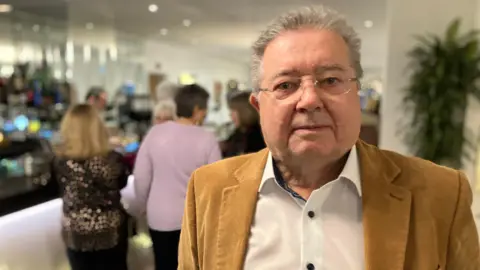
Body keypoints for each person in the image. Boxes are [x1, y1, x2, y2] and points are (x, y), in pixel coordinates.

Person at [178, 6, 480, 270]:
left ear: (356, 94)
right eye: (286, 85)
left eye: (331, 80)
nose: (309, 100)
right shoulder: (208, 190)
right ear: (259, 107)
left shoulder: (441, 194)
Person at [134, 84, 221, 270]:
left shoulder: (155, 133)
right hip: (194, 220)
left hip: (160, 217)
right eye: (204, 109)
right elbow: (216, 184)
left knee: (163, 263)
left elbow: (141, 177)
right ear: (197, 110)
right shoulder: (207, 139)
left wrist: (142, 205)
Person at [51, 104, 130, 270]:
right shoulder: (112, 161)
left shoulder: (60, 163)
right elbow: (122, 183)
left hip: (76, 234)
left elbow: (57, 189)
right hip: (111, 233)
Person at [221, 91, 265, 157]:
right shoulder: (238, 132)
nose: (230, 115)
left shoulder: (257, 137)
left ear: (244, 111)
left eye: (233, 111)